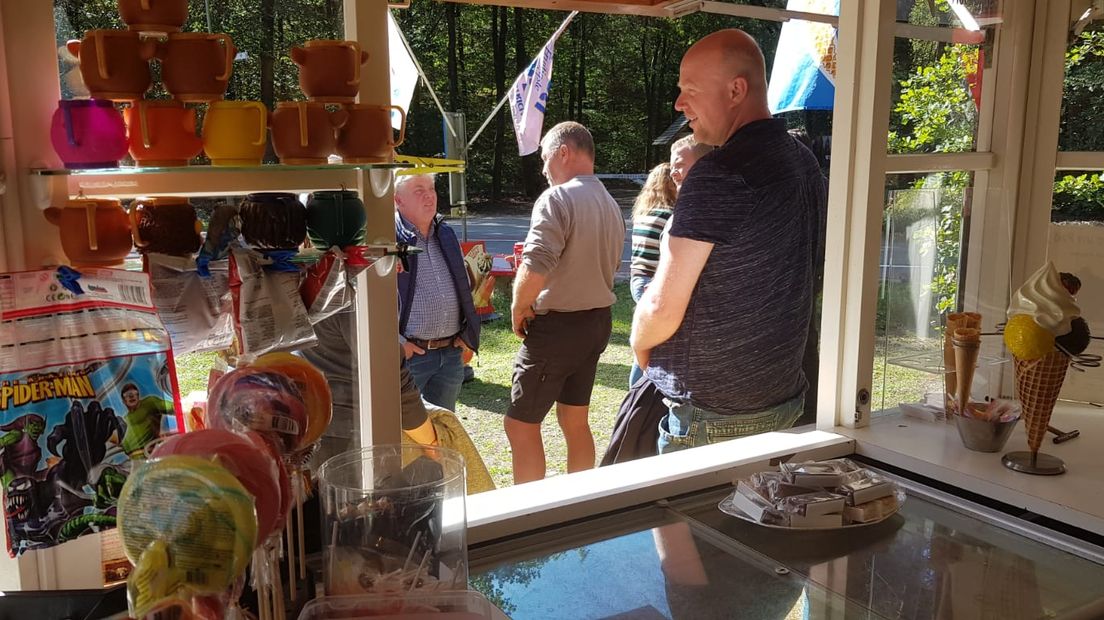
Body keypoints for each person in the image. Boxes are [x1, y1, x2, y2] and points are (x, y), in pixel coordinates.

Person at [631, 29, 827, 453]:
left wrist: (639, 342)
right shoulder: (803, 162)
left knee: (687, 521)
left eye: (690, 90)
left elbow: (662, 307)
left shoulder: (718, 174)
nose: (679, 104)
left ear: (737, 90)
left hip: (712, 418)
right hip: (785, 399)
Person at [506, 121, 625, 484]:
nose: (543, 170)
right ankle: (579, 503)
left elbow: (536, 262)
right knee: (575, 420)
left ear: (564, 152)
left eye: (544, 158)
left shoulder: (557, 198)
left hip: (558, 328)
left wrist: (518, 306)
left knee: (519, 425)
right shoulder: (610, 203)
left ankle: (528, 514)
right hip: (596, 323)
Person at [394, 173, 481, 412]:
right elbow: (374, 301)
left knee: (442, 432)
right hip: (411, 356)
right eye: (418, 190)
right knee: (404, 434)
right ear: (397, 200)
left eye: (431, 188)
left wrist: (467, 331)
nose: (429, 196)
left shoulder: (445, 233)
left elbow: (462, 286)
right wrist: (397, 343)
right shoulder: (389, 241)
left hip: (450, 354)